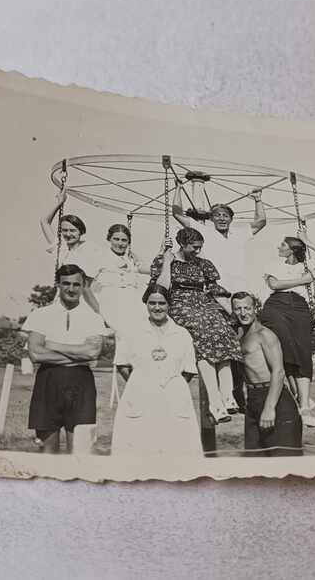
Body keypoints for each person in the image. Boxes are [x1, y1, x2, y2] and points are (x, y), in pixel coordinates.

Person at [152, 227, 243, 424]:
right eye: (194, 247)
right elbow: (161, 288)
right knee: (202, 332)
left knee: (223, 331)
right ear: (182, 244)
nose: (197, 251)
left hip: (202, 303)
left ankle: (227, 396)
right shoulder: (165, 261)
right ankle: (215, 401)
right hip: (178, 303)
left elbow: (215, 291)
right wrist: (167, 261)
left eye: (200, 248)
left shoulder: (203, 264)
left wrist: (232, 313)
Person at [22, 264, 109, 454]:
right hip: (48, 382)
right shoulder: (41, 315)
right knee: (47, 452)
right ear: (58, 285)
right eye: (66, 284)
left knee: (80, 452)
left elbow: (92, 353)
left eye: (76, 285)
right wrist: (78, 355)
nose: (71, 289)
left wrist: (51, 344)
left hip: (81, 384)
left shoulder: (93, 318)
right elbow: (36, 354)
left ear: (83, 285)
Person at [111, 284, 201, 456]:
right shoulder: (132, 332)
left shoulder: (182, 334)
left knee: (176, 447)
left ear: (169, 305)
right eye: (152, 303)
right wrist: (140, 384)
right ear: (146, 304)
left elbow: (189, 370)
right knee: (139, 447)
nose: (157, 308)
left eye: (162, 303)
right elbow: (122, 364)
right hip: (140, 395)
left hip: (174, 397)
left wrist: (171, 386)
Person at [259, 234, 315, 428]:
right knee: (284, 347)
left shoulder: (306, 264)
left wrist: (307, 240)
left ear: (292, 248)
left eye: (283, 244)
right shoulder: (274, 265)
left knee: (302, 351)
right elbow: (274, 285)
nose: (278, 247)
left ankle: (304, 405)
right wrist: (304, 280)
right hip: (276, 304)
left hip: (299, 307)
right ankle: (302, 399)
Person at [231, 292, 302, 457]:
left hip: (274, 399)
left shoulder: (265, 335)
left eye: (247, 308)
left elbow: (278, 372)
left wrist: (269, 408)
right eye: (238, 309)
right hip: (253, 399)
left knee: (284, 462)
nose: (243, 313)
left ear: (255, 308)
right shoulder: (240, 335)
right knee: (254, 461)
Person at [172, 189, 267, 309]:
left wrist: (258, 200)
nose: (222, 219)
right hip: (214, 289)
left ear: (231, 219)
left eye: (225, 216)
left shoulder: (239, 234)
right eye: (217, 215)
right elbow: (177, 214)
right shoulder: (204, 231)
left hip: (239, 286)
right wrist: (178, 188)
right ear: (212, 219)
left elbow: (261, 222)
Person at [39, 186, 101, 312]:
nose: (68, 234)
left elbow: (86, 286)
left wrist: (98, 312)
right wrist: (60, 203)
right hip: (62, 298)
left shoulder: (89, 250)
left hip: (82, 301)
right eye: (64, 230)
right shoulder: (61, 247)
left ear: (81, 231)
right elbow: (44, 221)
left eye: (72, 230)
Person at [89, 224, 148, 334]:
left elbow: (146, 271)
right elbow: (87, 285)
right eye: (116, 239)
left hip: (132, 303)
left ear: (128, 242)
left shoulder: (130, 259)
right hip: (109, 303)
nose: (120, 243)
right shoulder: (100, 256)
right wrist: (96, 311)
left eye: (124, 240)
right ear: (109, 239)